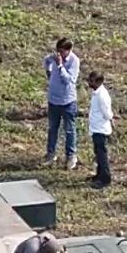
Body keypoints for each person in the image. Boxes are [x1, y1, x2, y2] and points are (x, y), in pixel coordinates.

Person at [43, 38, 82, 169]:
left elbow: (69, 80)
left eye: (61, 51)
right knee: (52, 128)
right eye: (57, 51)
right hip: (53, 100)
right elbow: (46, 60)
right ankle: (50, 154)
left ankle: (71, 156)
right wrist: (49, 71)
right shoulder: (53, 57)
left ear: (68, 50)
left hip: (67, 102)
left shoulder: (74, 61)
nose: (58, 54)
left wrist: (60, 66)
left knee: (69, 130)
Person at [85, 71, 115, 189]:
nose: (89, 83)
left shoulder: (102, 95)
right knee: (98, 154)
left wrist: (111, 119)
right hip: (96, 128)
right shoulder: (96, 93)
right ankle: (99, 175)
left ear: (98, 82)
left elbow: (107, 113)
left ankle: (105, 179)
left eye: (91, 81)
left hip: (101, 129)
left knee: (102, 155)